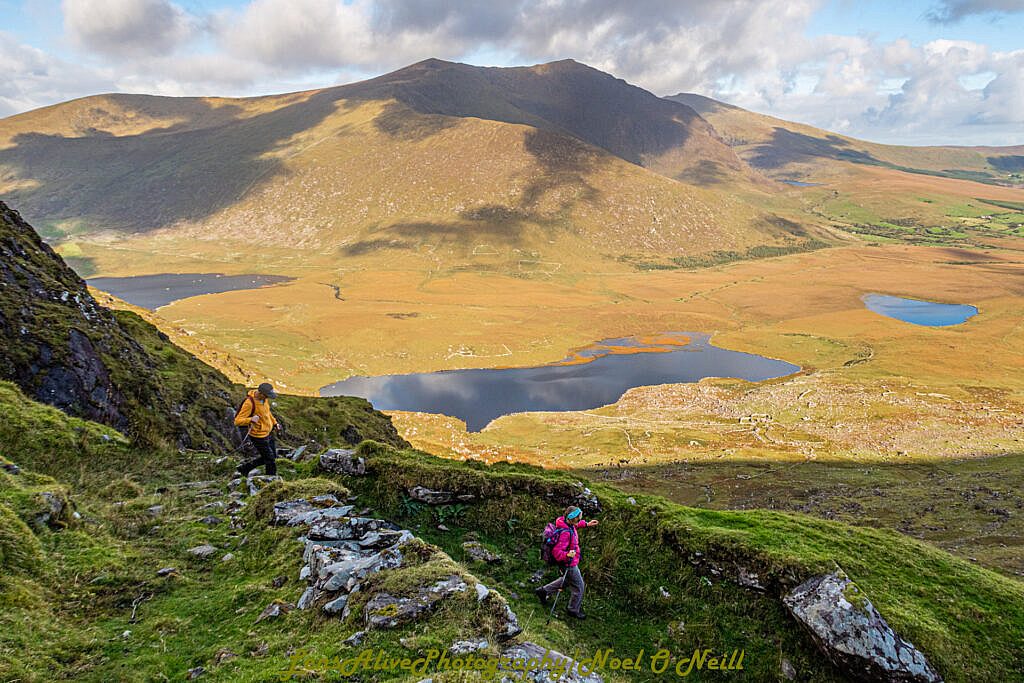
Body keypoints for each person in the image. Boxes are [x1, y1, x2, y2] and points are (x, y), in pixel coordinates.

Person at [535, 506, 599, 619]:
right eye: (578, 519)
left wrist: (587, 524)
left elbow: (576, 525)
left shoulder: (567, 524)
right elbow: (556, 552)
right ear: (571, 519)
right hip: (568, 564)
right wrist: (567, 555)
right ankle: (573, 609)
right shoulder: (565, 533)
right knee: (579, 586)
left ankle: (544, 591)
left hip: (570, 562)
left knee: (567, 581)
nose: (579, 521)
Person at [234, 382, 282, 477]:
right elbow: (237, 421)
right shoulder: (249, 403)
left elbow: (268, 414)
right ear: (260, 393)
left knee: (271, 456)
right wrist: (250, 419)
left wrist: (275, 423)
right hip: (258, 436)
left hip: (268, 433)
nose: (267, 398)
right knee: (270, 459)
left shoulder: (264, 400)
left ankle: (244, 468)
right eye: (266, 396)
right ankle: (271, 480)